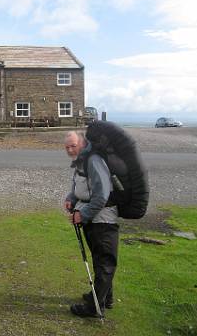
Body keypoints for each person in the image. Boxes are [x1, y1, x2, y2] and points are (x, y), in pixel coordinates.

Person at [63, 131, 119, 318]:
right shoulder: (82, 160)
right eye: (67, 147)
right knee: (99, 260)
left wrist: (83, 214)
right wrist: (71, 199)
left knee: (103, 263)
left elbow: (102, 195)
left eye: (73, 145)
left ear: (83, 142)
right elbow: (79, 187)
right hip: (92, 219)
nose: (70, 150)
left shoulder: (93, 161)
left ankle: (95, 308)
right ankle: (104, 296)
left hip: (103, 220)